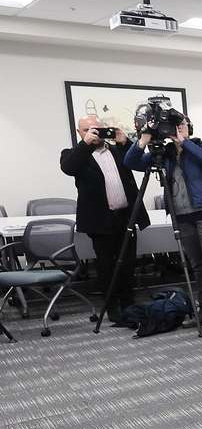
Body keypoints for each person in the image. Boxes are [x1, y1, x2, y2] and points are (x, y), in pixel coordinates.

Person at [125, 116, 202, 330]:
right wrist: (143, 140)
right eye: (174, 126)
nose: (177, 129)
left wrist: (183, 141)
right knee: (198, 265)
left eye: (181, 125)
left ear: (189, 127)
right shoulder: (164, 153)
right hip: (182, 216)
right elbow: (131, 163)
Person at [60, 115, 148, 322]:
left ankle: (129, 302)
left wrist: (125, 142)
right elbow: (68, 168)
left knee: (127, 263)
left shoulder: (117, 150)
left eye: (98, 128)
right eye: (89, 129)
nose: (95, 132)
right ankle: (112, 306)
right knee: (106, 265)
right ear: (79, 133)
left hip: (125, 216)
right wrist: (85, 144)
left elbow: (137, 164)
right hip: (100, 220)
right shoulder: (75, 154)